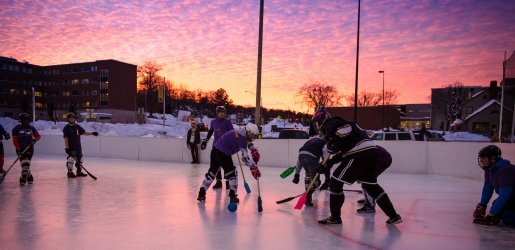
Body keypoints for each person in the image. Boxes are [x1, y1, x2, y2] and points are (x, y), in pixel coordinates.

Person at [317, 116, 402, 225]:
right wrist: (329, 163)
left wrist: (333, 142)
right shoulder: (349, 135)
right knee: (370, 186)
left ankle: (335, 218)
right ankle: (394, 216)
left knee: (335, 182)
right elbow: (343, 153)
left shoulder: (331, 123)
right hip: (370, 153)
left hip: (358, 154)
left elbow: (345, 130)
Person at [197, 123, 261, 204]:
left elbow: (247, 141)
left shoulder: (242, 132)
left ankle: (201, 193)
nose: (252, 138)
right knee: (232, 174)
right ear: (248, 131)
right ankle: (232, 196)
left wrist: (253, 149)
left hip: (215, 150)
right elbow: (245, 158)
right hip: (223, 153)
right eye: (251, 135)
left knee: (212, 173)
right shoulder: (242, 137)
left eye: (254, 136)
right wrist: (253, 167)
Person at [473, 145, 515, 227]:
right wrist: (482, 204)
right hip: (512, 199)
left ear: (493, 159)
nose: (482, 161)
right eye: (481, 158)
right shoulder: (490, 170)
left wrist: (492, 214)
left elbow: (505, 194)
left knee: (508, 218)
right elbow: (487, 188)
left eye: (484, 158)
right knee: (497, 206)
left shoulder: (505, 170)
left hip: (512, 198)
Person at [201, 106, 234, 189]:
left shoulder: (227, 122)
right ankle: (218, 181)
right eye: (220, 112)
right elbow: (210, 132)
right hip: (216, 146)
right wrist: (205, 141)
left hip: (226, 147)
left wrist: (233, 143)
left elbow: (232, 133)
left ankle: (227, 182)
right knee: (216, 165)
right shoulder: (213, 122)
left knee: (227, 165)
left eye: (223, 113)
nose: (222, 114)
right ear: (217, 113)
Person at [291, 134, 329, 206]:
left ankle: (308, 197)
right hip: (312, 158)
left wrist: (297, 175)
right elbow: (325, 159)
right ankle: (308, 195)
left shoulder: (311, 139)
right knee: (316, 181)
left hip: (301, 155)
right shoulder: (324, 143)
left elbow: (299, 161)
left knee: (308, 175)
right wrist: (327, 177)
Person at [63, 112, 99, 178]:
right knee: (71, 159)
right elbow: (66, 138)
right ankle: (70, 173)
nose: (72, 119)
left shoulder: (77, 126)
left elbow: (84, 133)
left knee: (80, 159)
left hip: (78, 147)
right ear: (68, 119)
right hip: (71, 148)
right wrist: (67, 148)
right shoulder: (66, 128)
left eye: (73, 118)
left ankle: (79, 172)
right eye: (70, 118)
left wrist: (92, 133)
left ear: (75, 119)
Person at [11, 113, 41, 185]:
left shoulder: (31, 128)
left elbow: (38, 136)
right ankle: (30, 177)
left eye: (27, 120)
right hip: (20, 150)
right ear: (21, 120)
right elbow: (15, 141)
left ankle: (23, 179)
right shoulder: (16, 129)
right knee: (25, 166)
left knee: (25, 165)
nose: (26, 121)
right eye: (24, 119)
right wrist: (18, 150)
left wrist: (35, 140)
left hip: (29, 149)